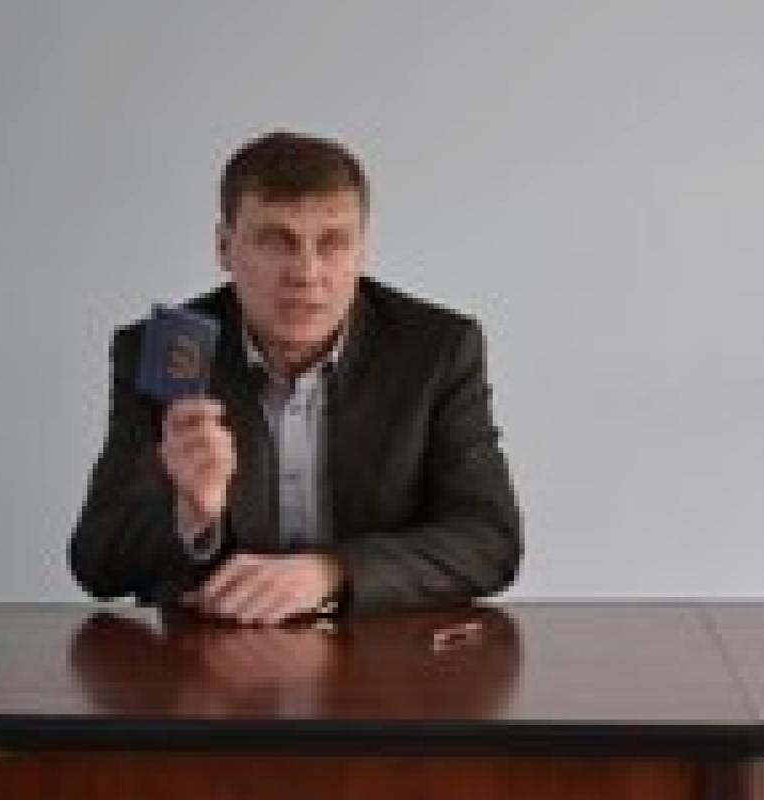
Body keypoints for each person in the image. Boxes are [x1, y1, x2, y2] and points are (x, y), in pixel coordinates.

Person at [71, 131, 522, 624]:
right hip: (217, 655)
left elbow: (491, 540)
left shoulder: (435, 350)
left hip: (383, 653)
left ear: (362, 249)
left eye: (333, 243)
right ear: (224, 248)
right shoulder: (170, 349)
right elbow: (97, 560)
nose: (306, 273)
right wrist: (191, 517)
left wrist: (333, 572)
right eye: (276, 242)